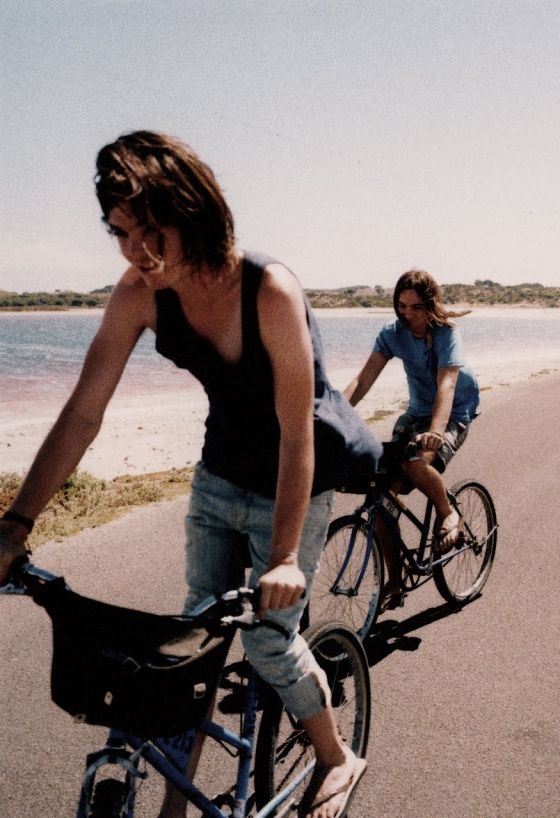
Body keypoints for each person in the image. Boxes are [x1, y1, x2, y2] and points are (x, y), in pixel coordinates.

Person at [0, 131, 381, 818]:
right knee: (189, 647)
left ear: (193, 211)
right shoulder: (140, 293)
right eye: (120, 233)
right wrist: (16, 525)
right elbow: (83, 413)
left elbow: (297, 434)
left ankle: (335, 756)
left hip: (294, 478)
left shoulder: (268, 290)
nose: (135, 250)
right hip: (219, 478)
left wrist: (285, 557)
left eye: (151, 230)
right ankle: (177, 805)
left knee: (268, 640)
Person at [344, 269, 480, 609]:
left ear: (430, 305)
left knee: (415, 462)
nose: (408, 314)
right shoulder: (392, 334)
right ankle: (395, 581)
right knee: (381, 496)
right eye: (402, 306)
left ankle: (448, 512)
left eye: (416, 307)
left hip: (452, 413)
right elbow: (363, 380)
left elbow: (447, 384)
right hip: (416, 413)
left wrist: (436, 432)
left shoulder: (447, 333)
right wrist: (333, 416)